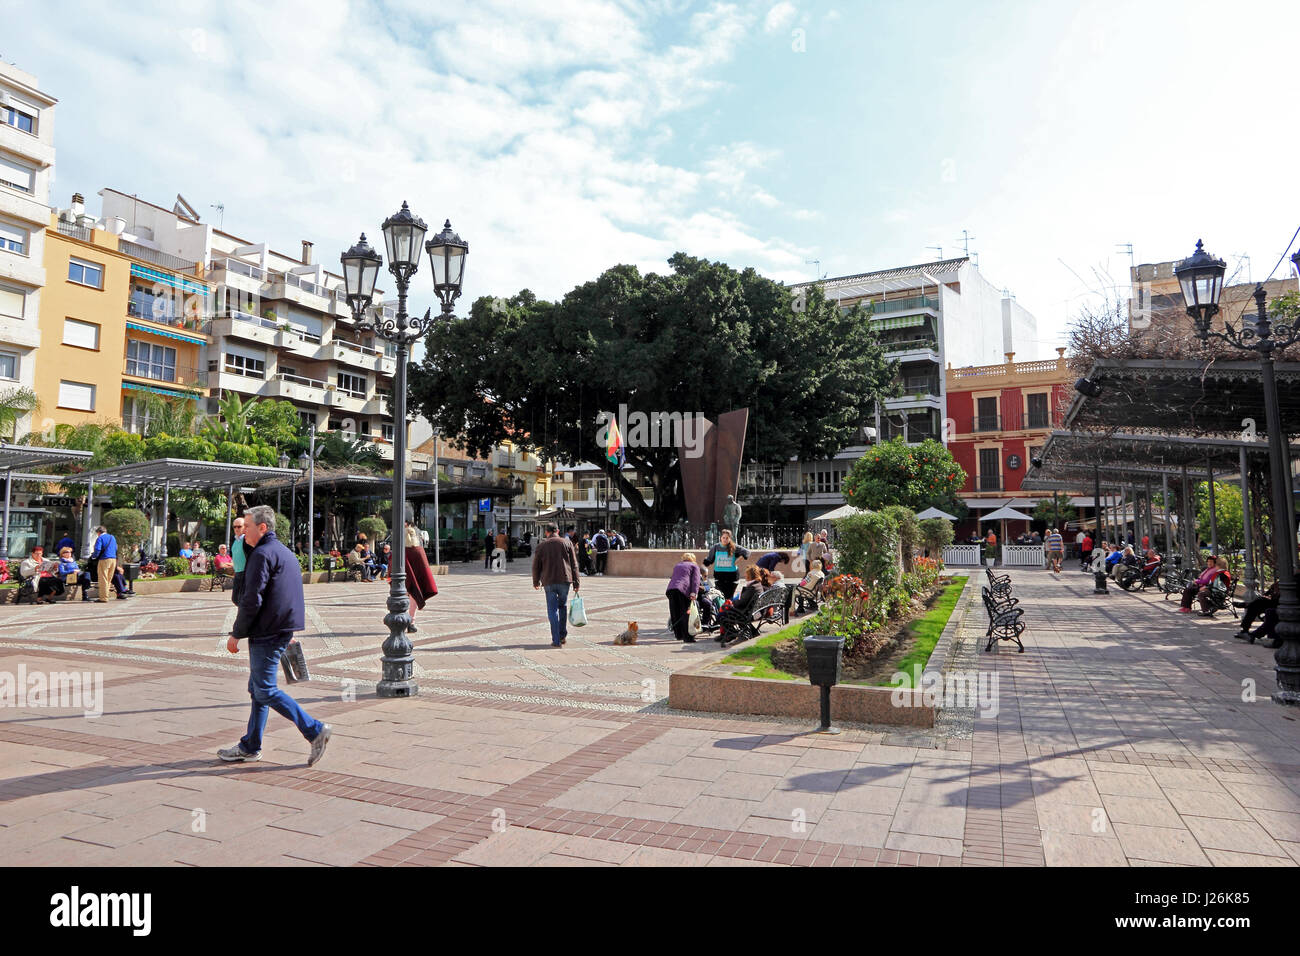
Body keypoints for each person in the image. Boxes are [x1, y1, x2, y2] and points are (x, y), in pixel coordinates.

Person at [220, 505, 331, 766]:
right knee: (257, 689)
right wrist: (288, 630)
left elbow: (252, 599)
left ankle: (314, 730)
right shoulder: (285, 553)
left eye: (246, 527)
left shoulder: (261, 554)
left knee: (265, 690)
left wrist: (237, 633)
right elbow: (286, 594)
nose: (242, 532)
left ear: (262, 527)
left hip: (267, 631)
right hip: (279, 628)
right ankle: (250, 746)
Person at [532, 522, 580, 648]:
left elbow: (536, 565)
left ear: (547, 532)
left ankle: (556, 639)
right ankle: (562, 635)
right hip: (565, 580)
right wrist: (576, 582)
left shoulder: (542, 545)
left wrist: (536, 581)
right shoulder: (567, 542)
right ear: (557, 531)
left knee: (552, 610)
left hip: (549, 580)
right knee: (562, 606)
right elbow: (574, 564)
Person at [403, 519, 438, 632]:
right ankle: (411, 622)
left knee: (401, 598)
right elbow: (425, 568)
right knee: (414, 597)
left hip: (401, 581)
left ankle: (402, 621)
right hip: (415, 580)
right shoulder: (419, 550)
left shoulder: (400, 550)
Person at [718, 566, 764, 648]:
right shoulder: (757, 584)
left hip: (748, 612)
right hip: (755, 611)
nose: (745, 576)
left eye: (746, 574)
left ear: (750, 576)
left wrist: (731, 603)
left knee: (722, 615)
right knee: (726, 611)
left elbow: (741, 602)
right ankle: (752, 632)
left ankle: (731, 634)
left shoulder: (752, 587)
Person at [703, 528, 750, 601]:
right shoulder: (716, 547)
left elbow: (747, 552)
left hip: (732, 577)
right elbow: (709, 559)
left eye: (727, 538)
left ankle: (729, 612)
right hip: (719, 577)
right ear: (720, 538)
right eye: (723, 537)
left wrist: (738, 560)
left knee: (729, 598)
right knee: (720, 596)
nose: (725, 539)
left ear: (730, 538)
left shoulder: (734, 547)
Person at [666, 552, 701, 642]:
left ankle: (678, 635)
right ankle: (688, 637)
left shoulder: (678, 565)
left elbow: (673, 577)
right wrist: (694, 593)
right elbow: (696, 581)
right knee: (685, 614)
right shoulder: (694, 566)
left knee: (675, 613)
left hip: (671, 590)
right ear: (693, 559)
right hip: (683, 590)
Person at [90, 525, 125, 602]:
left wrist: (93, 557)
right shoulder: (112, 537)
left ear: (99, 532)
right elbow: (116, 548)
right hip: (113, 559)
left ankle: (103, 598)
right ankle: (106, 595)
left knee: (103, 578)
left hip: (104, 559)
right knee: (109, 578)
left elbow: (97, 549)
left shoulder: (100, 538)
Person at [231, 515, 248, 605]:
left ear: (245, 527)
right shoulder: (235, 540)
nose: (236, 529)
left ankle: (243, 617)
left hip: (245, 573)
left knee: (241, 599)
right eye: (234, 527)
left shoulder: (247, 540)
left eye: (239, 526)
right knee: (235, 599)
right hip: (238, 573)